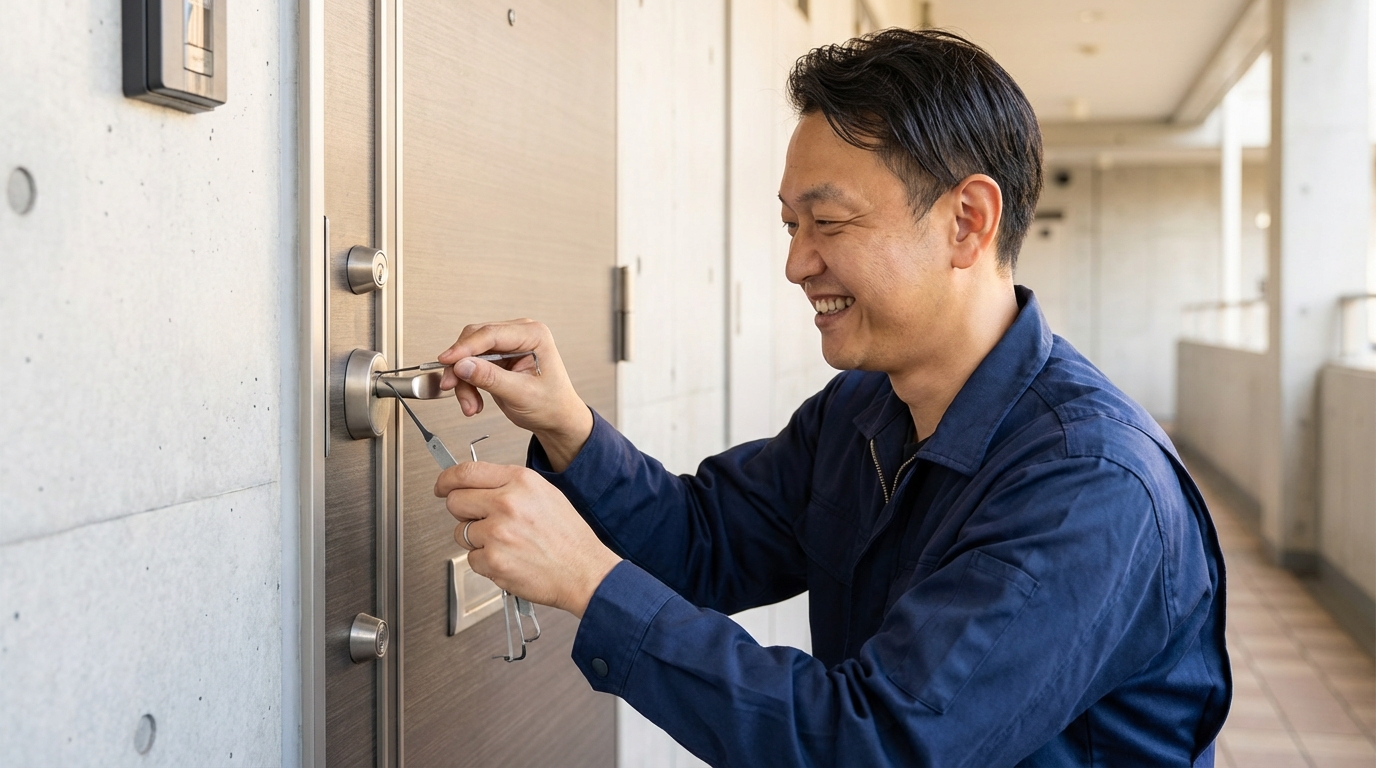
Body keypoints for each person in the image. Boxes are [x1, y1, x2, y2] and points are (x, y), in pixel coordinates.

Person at [432, 28, 1231, 767]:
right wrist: (566, 424)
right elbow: (705, 543)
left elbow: (877, 743)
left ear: (966, 222)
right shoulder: (862, 412)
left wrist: (589, 581)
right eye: (790, 225)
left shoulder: (1087, 486)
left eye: (829, 223)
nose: (796, 264)